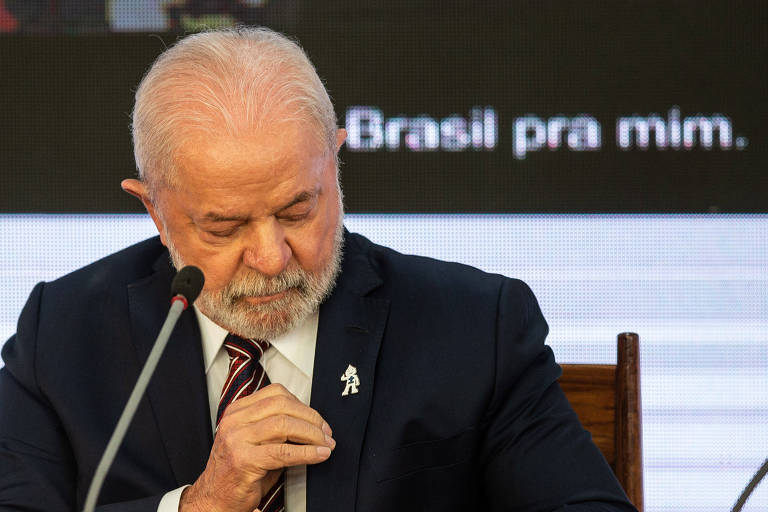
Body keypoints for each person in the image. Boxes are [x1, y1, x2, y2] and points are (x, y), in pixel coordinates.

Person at [0, 27, 636, 511]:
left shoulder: (475, 327)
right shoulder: (64, 334)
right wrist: (204, 504)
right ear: (155, 211)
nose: (273, 257)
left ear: (334, 165)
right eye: (224, 227)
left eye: (298, 209)